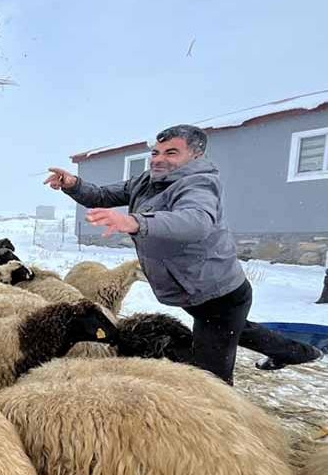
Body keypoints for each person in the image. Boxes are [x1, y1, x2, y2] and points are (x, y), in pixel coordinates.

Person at [46, 124, 322, 384]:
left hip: (219, 293)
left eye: (171, 152)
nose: (158, 158)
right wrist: (73, 184)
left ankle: (222, 422)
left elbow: (195, 221)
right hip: (192, 289)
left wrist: (136, 222)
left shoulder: (199, 185)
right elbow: (102, 196)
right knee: (237, 330)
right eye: (155, 152)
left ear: (196, 155)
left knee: (211, 377)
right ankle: (298, 353)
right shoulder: (147, 181)